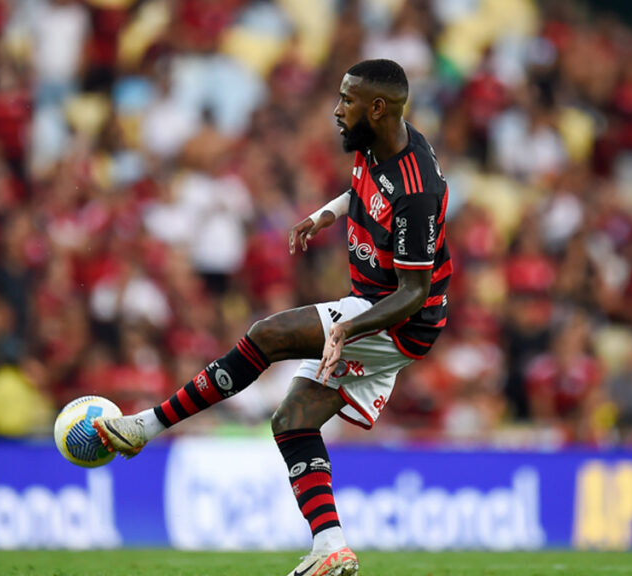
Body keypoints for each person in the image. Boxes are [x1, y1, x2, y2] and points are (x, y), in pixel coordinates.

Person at [93, 59, 452, 576]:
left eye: (347, 100)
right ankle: (330, 547)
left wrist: (349, 328)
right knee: (291, 421)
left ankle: (144, 427)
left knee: (267, 335)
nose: (336, 110)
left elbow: (415, 292)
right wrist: (326, 214)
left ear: (377, 108)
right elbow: (368, 192)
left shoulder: (418, 191)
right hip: (375, 309)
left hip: (396, 319)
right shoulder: (380, 144)